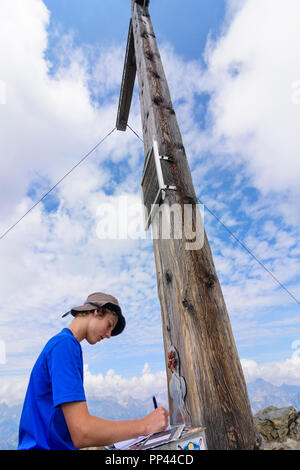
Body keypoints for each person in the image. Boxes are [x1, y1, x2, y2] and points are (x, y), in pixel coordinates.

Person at [18, 292, 169, 450]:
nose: (109, 335)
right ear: (97, 312)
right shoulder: (64, 346)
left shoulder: (65, 345)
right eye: (109, 325)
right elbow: (82, 432)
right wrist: (145, 425)